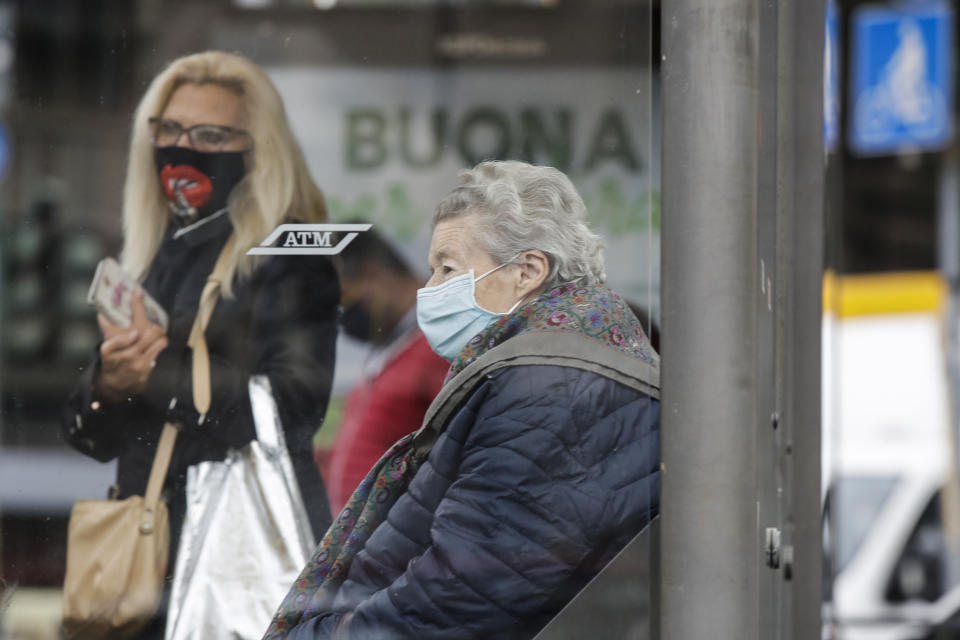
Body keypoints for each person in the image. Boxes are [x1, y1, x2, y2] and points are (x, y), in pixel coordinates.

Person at [266, 160, 660, 640]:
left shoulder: (546, 388)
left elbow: (459, 595)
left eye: (447, 269)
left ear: (528, 271)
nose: (427, 291)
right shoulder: (550, 372)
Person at [61, 51, 339, 638]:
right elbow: (93, 436)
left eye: (210, 135)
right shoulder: (157, 245)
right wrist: (109, 381)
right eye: (169, 129)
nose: (182, 148)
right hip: (148, 556)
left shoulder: (288, 253)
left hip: (232, 559)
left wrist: (156, 372)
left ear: (257, 149)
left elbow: (291, 409)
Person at [319, 227, 449, 514]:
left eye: (344, 299)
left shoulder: (439, 342)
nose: (344, 316)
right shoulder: (390, 345)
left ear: (372, 276)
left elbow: (455, 456)